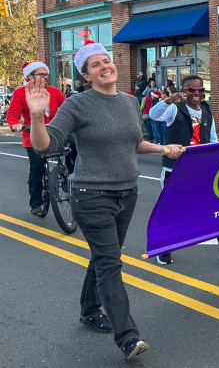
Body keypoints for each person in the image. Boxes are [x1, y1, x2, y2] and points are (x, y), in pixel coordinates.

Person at [26, 40, 184, 360]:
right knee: (111, 262)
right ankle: (127, 336)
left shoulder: (128, 102)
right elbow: (45, 145)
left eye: (107, 61)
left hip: (128, 193)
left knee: (103, 257)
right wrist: (37, 117)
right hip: (91, 194)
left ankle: (89, 308)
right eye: (95, 65)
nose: (105, 67)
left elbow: (136, 143)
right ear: (86, 76)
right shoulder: (78, 105)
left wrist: (165, 149)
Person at [149, 75, 219, 266]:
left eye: (200, 90)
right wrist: (168, 100)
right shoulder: (174, 109)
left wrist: (217, 161)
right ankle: (163, 249)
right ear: (183, 91)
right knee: (171, 211)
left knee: (217, 208)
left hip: (200, 169)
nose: (196, 93)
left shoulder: (207, 111)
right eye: (191, 90)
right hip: (175, 170)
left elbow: (212, 140)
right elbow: (153, 115)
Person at [7, 61, 67, 215]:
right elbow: (13, 113)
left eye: (45, 74)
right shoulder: (20, 93)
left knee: (73, 150)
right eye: (41, 74)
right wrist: (15, 124)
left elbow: (67, 109)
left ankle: (69, 181)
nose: (45, 77)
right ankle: (36, 203)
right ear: (29, 76)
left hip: (55, 133)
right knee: (37, 169)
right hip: (32, 136)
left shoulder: (54, 92)